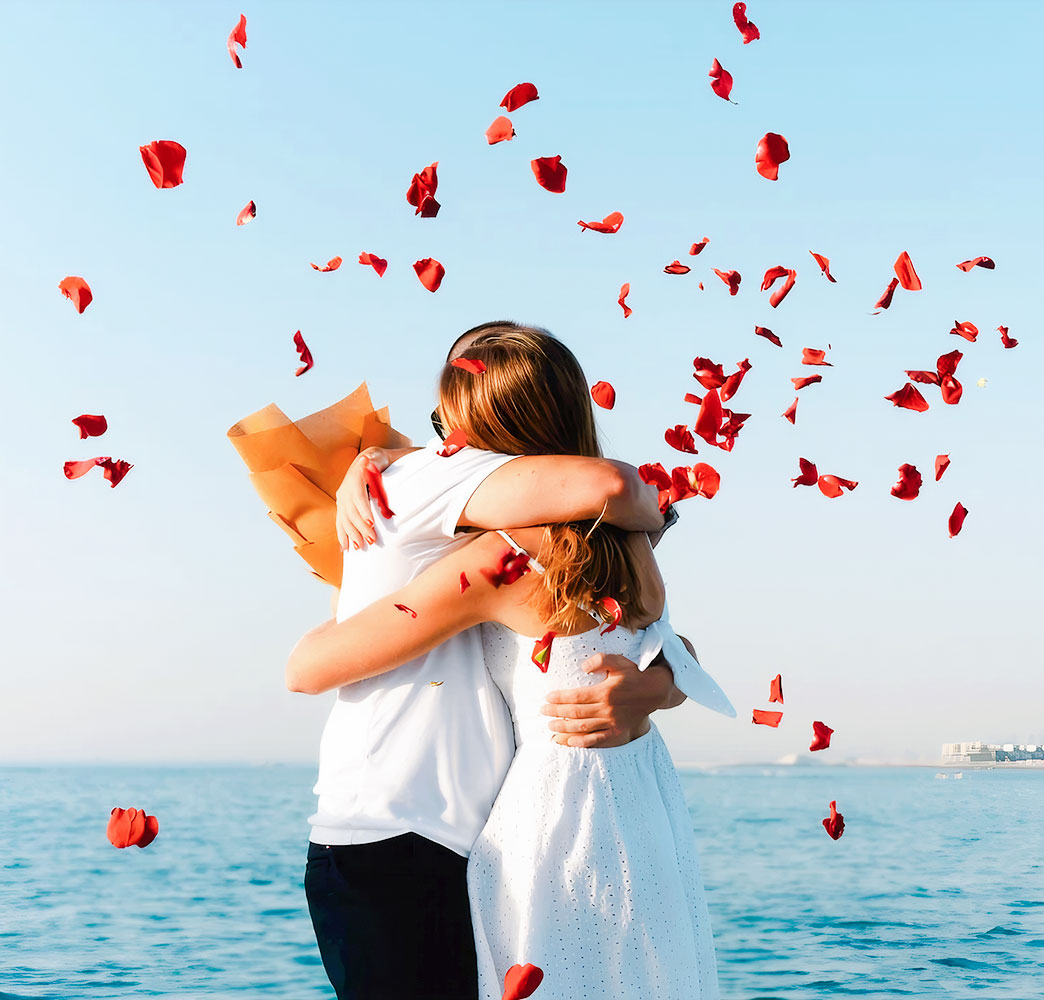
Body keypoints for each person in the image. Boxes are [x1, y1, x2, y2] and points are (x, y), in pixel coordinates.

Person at [288, 324, 734, 999]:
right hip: (642, 816)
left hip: (529, 823)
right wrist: (656, 689)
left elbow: (307, 668)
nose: (440, 442)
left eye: (448, 423)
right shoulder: (629, 547)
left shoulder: (498, 556)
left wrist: (377, 471)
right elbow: (668, 649)